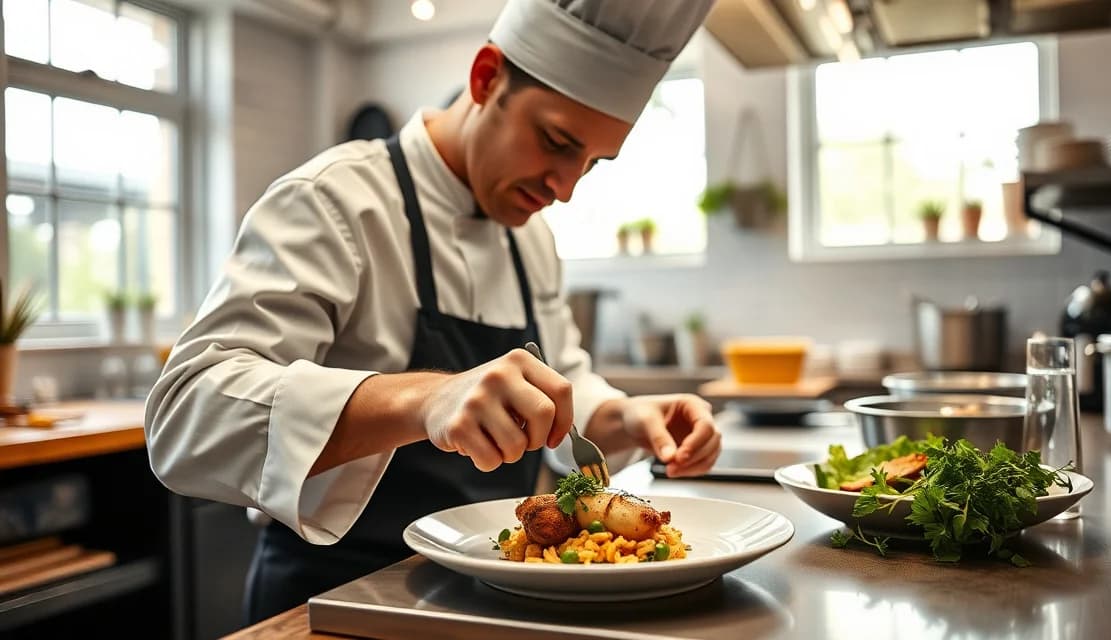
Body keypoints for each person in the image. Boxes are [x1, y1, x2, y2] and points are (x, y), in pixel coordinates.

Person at [143, 0, 721, 625]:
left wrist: (627, 416)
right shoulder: (333, 202)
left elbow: (564, 383)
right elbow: (184, 414)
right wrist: (426, 401)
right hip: (334, 601)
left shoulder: (529, 238)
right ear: (485, 77)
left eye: (590, 163)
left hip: (496, 599)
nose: (565, 187)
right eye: (556, 142)